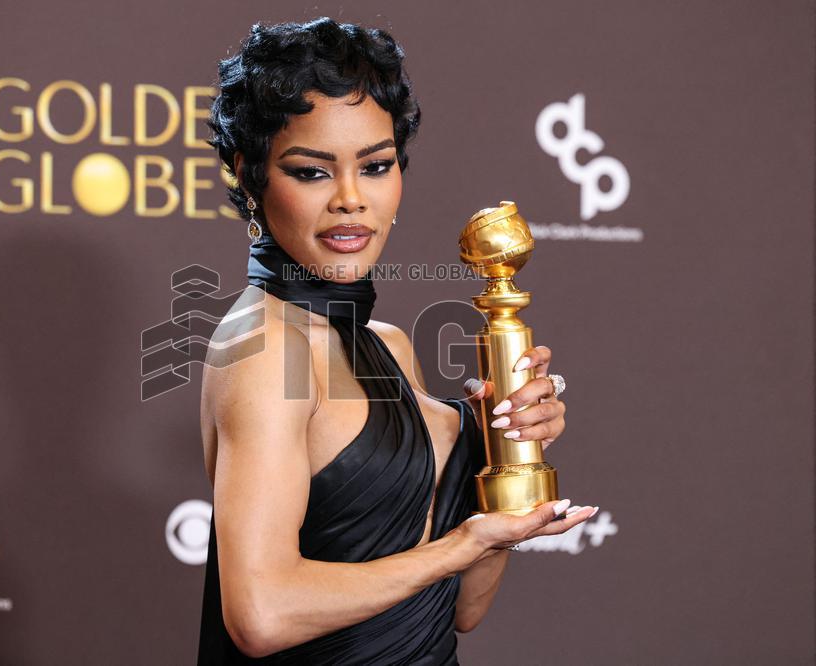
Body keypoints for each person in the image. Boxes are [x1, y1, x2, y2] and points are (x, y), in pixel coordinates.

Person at [197, 17, 596, 664]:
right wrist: (460, 544)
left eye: (376, 166)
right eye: (312, 172)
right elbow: (261, 615)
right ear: (250, 175)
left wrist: (499, 454)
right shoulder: (265, 348)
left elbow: (462, 609)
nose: (352, 199)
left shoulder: (389, 346)